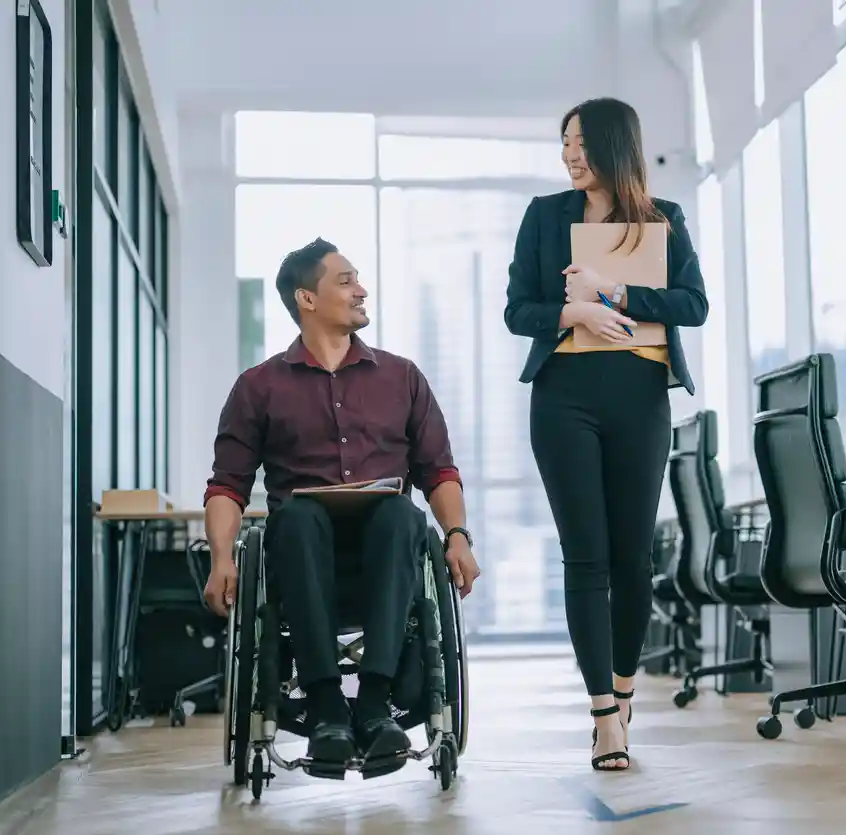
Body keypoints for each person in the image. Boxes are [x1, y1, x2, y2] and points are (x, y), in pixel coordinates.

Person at [201, 237, 481, 766]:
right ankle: (327, 706)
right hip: (300, 557)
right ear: (307, 299)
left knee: (400, 511)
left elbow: (438, 470)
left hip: (386, 555)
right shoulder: (258, 387)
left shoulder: (401, 377)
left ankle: (374, 704)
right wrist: (221, 559)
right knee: (300, 516)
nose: (362, 290)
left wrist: (458, 537)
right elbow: (227, 485)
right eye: (347, 281)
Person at [504, 98, 708, 772]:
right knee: (584, 556)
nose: (569, 154)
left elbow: (692, 304)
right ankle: (601, 717)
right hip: (563, 396)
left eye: (581, 143)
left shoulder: (662, 219)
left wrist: (615, 293)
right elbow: (517, 311)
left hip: (639, 396)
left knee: (632, 559)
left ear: (616, 146)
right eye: (563, 141)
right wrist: (575, 310)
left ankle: (623, 692)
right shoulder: (544, 217)